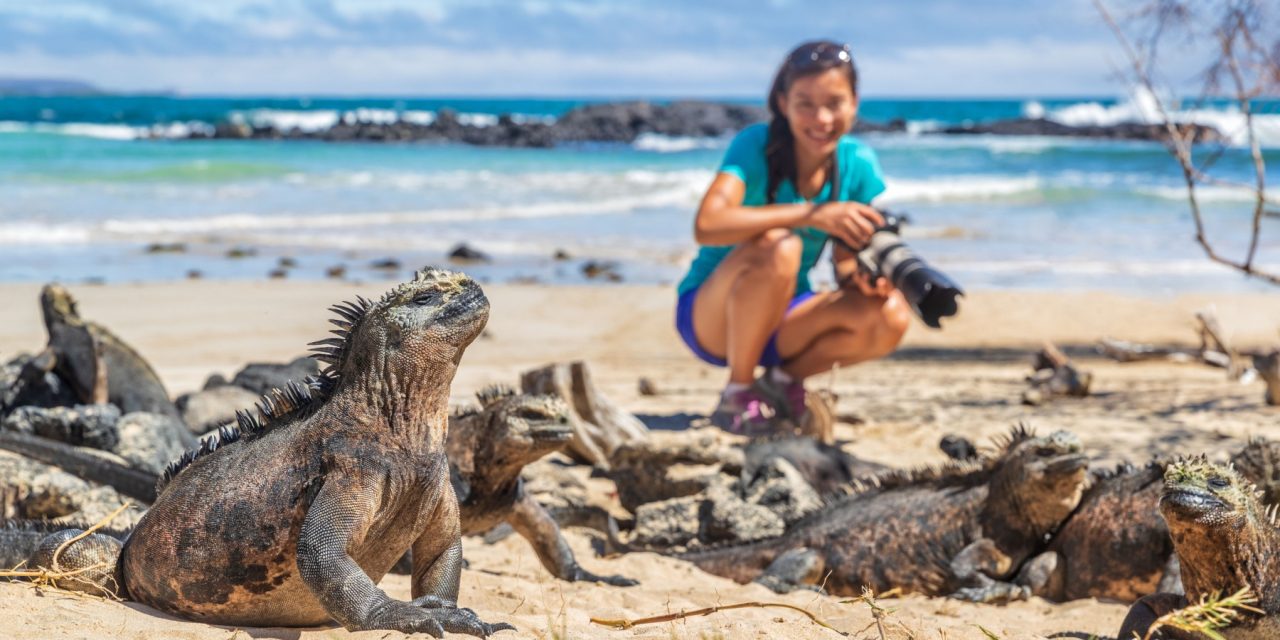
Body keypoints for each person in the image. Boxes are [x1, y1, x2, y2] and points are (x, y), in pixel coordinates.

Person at [675, 40, 911, 435]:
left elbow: (844, 265)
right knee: (781, 246)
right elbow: (708, 224)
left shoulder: (857, 164)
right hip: (712, 316)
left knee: (890, 315)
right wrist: (813, 215)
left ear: (854, 103)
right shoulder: (756, 144)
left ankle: (782, 382)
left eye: (834, 103)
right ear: (783, 104)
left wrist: (864, 281)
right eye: (806, 104)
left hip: (787, 318)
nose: (821, 118)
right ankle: (737, 391)